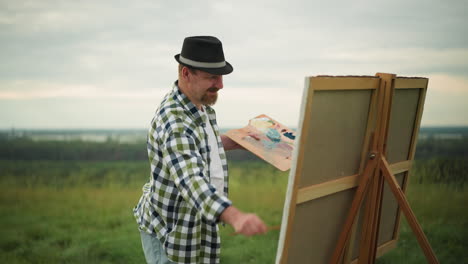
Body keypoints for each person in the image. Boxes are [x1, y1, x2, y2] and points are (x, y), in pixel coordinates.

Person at [133, 36, 267, 264]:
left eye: (221, 76)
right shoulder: (174, 121)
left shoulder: (199, 105)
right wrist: (236, 216)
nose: (221, 84)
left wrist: (233, 140)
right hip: (171, 232)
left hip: (196, 226)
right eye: (212, 77)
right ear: (186, 73)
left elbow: (198, 146)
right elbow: (191, 180)